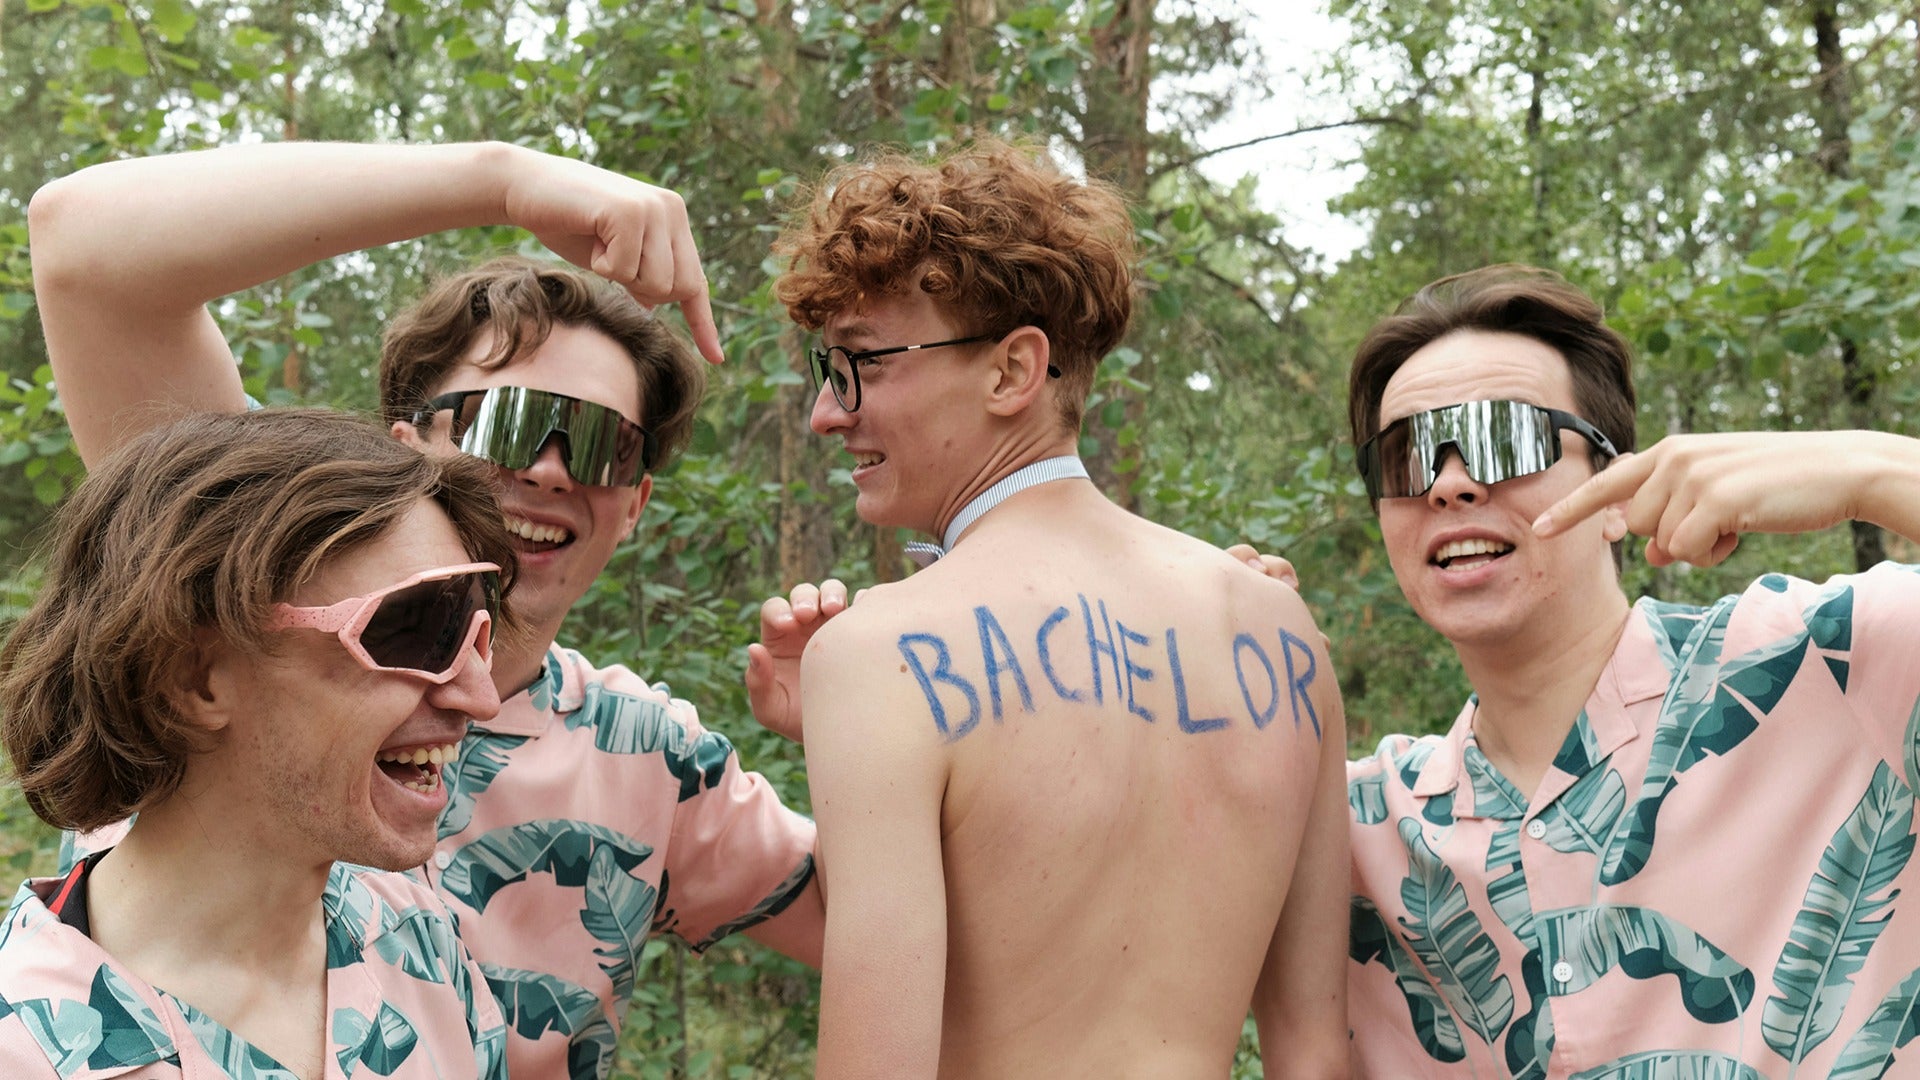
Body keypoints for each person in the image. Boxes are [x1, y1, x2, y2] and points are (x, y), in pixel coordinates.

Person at [27, 141, 835, 1080]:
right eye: (510, 422)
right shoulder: (258, 559)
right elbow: (82, 246)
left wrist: (859, 732)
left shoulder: (649, 760)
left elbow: (903, 935)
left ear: (637, 502)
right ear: (410, 445)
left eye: (603, 445)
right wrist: (502, 179)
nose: (548, 470)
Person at [769, 140, 1350, 1077]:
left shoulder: (881, 655)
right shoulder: (1284, 637)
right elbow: (1316, 1058)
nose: (826, 415)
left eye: (860, 366)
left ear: (1012, 371)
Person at [1342, 264, 1920, 1077]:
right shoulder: (1359, 829)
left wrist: (1877, 472)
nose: (1448, 484)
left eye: (1504, 437)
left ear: (1619, 489)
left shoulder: (1832, 659)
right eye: (1404, 458)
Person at [0, 409, 512, 1078]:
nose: (481, 696)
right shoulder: (26, 1052)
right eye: (419, 629)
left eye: (479, 626)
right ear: (196, 676)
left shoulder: (414, 936)